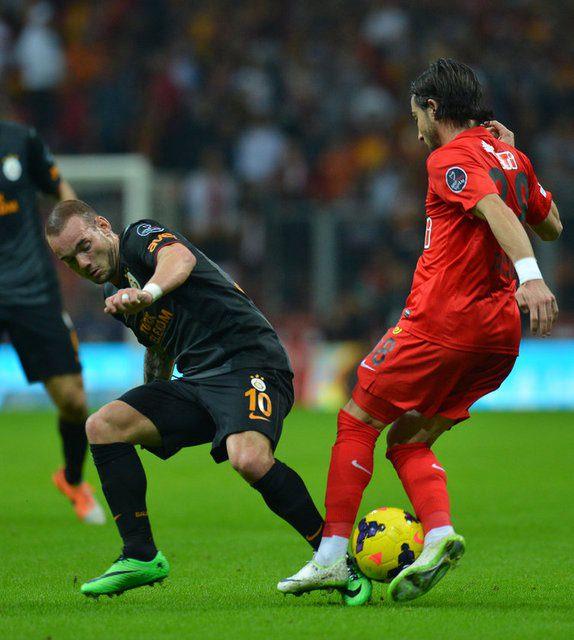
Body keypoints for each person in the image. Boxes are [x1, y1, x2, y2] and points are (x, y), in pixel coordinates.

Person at [278, 58, 562, 605]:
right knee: (408, 439)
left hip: (441, 322)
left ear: (433, 108)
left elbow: (493, 209)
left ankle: (331, 557)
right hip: (498, 336)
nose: (416, 131)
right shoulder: (512, 156)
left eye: (416, 117)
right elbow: (551, 225)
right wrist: (520, 168)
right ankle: (438, 535)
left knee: (356, 419)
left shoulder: (448, 157)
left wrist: (530, 277)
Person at [44, 200, 347, 599]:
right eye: (69, 260)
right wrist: (150, 400)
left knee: (248, 458)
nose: (82, 263)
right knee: (103, 426)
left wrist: (148, 293)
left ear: (102, 226)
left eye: (84, 246)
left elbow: (180, 259)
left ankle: (333, 556)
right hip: (199, 381)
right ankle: (140, 554)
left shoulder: (138, 238)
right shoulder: (114, 291)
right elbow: (159, 347)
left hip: (250, 362)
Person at [0, 119, 105, 525]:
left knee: (74, 400)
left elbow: (61, 190)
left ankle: (73, 480)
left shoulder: (19, 141)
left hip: (32, 290)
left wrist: (83, 240)